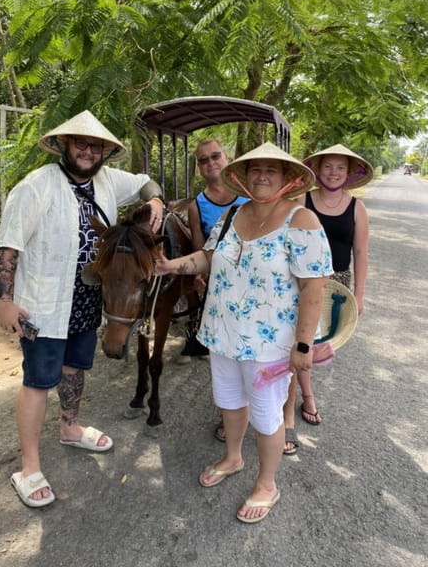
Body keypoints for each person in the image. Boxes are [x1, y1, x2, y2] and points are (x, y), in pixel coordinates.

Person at [155, 141, 333, 524]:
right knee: (230, 402)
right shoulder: (234, 214)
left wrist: (303, 345)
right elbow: (208, 256)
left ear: (287, 178)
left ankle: (267, 483)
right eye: (255, 170)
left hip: (270, 344)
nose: (263, 176)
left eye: (272, 169)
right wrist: (172, 267)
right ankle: (233, 458)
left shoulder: (301, 221)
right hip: (222, 334)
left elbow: (314, 288)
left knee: (268, 417)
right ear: (244, 177)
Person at [0, 110, 165, 508]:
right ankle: (29, 466)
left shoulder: (107, 181)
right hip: (44, 305)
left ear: (105, 152)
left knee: (75, 370)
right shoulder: (35, 187)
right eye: (80, 143)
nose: (88, 151)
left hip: (89, 301)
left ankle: (70, 427)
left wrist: (154, 197)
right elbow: (8, 246)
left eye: (95, 146)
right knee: (38, 381)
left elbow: (144, 183)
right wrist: (3, 300)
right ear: (63, 146)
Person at [283, 143, 372, 452]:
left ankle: (302, 394)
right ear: (318, 170)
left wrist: (358, 294)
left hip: (337, 286)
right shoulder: (300, 200)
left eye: (340, 168)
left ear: (349, 174)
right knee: (298, 343)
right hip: (302, 282)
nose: (333, 173)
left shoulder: (356, 208)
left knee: (317, 347)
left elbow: (360, 252)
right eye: (328, 167)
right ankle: (295, 407)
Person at [177, 138, 248, 364]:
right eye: (204, 160)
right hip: (222, 278)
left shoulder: (249, 194)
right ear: (199, 168)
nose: (211, 163)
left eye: (216, 156)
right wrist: (200, 276)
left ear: (226, 157)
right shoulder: (196, 207)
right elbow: (200, 248)